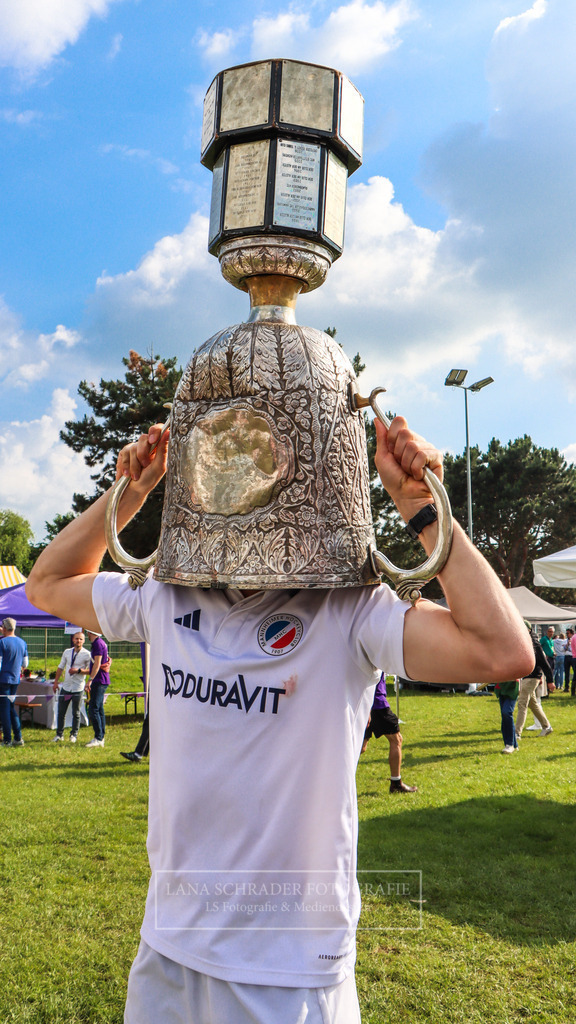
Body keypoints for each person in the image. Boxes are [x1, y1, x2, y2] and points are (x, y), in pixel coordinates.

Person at [26, 416, 533, 1024]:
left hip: (286, 968)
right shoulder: (165, 595)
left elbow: (502, 652)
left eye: (270, 465)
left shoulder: (350, 608)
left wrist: (423, 509)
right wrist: (131, 490)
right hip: (168, 942)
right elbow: (48, 584)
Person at [360, 674, 417, 792]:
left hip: (365, 703)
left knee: (361, 747)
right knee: (396, 740)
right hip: (377, 703)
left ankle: (334, 779)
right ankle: (396, 784)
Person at [515, 625, 553, 741]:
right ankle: (547, 726)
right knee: (533, 704)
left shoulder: (535, 644)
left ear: (529, 630)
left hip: (532, 678)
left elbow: (545, 664)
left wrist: (550, 681)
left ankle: (517, 733)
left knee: (522, 703)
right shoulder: (523, 642)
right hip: (526, 677)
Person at [52, 631, 91, 743]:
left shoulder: (87, 654)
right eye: (76, 639)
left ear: (84, 641)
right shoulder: (67, 652)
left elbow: (91, 671)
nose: (78, 641)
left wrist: (78, 671)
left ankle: (74, 734)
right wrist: (55, 682)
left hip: (78, 687)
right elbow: (60, 667)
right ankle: (59, 734)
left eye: (80, 639)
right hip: (66, 687)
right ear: (73, 640)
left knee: (76, 712)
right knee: (61, 711)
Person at [0, 617, 29, 747]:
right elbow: (25, 663)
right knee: (11, 708)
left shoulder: (2, 642)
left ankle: (7, 740)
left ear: (4, 628)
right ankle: (18, 738)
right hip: (15, 680)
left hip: (3, 680)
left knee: (4, 710)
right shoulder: (22, 642)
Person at [85, 629, 110, 748]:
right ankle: (101, 736)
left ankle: (98, 737)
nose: (87, 635)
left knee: (93, 708)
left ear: (90, 632)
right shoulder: (101, 643)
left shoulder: (97, 644)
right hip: (101, 679)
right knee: (99, 709)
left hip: (99, 680)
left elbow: (97, 663)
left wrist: (90, 680)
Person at [494, 677, 519, 753]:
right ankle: (514, 745)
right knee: (505, 716)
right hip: (501, 687)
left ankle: (509, 744)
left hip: (512, 687)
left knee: (507, 712)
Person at [563, 628, 574, 693]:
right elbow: (563, 649)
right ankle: (566, 686)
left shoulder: (574, 640)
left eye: (568, 633)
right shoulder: (565, 641)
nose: (567, 635)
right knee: (566, 672)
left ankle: (573, 686)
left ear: (571, 634)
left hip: (572, 656)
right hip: (566, 657)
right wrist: (567, 644)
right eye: (566, 633)